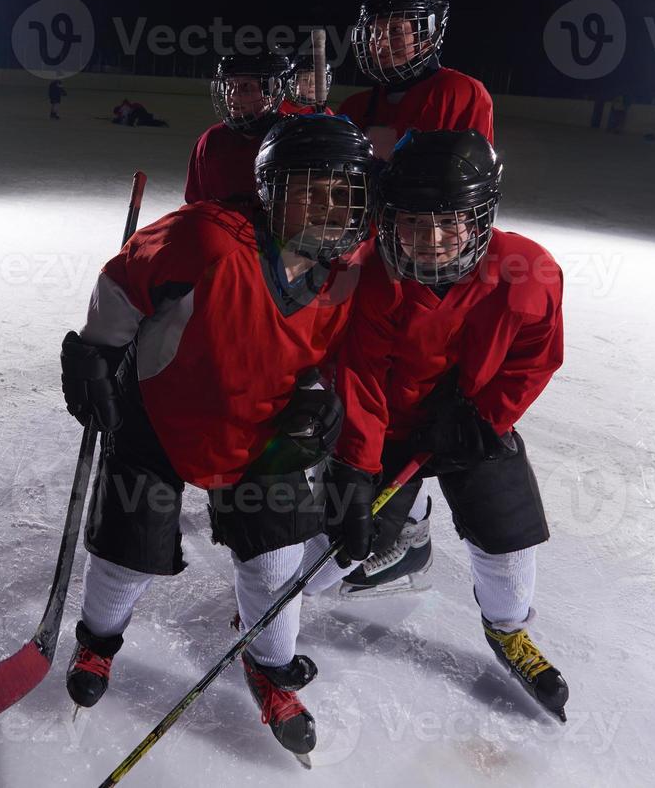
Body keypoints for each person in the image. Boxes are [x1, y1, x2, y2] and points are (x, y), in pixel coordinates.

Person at [59, 115, 379, 760]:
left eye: (342, 189)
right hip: (160, 413)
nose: (327, 205)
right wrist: (93, 353)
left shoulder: (352, 268)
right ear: (269, 190)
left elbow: (346, 356)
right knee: (128, 551)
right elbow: (123, 281)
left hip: (266, 428)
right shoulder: (205, 236)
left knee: (273, 560)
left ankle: (270, 664)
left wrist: (325, 400)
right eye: (307, 188)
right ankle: (97, 640)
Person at [299, 129, 570, 722]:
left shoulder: (529, 273)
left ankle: (508, 630)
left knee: (508, 530)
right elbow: (361, 379)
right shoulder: (368, 274)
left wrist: (485, 416)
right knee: (348, 533)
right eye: (415, 223)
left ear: (481, 217)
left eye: (451, 222)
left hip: (470, 426)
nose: (432, 240)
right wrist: (356, 467)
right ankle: (278, 606)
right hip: (390, 433)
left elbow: (535, 357)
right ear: (389, 219)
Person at [336, 0, 494, 160]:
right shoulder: (354, 107)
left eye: (395, 31)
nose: (380, 44)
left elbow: (474, 178)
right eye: (374, 32)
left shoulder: (461, 94)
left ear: (429, 34)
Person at [183, 52, 294, 204]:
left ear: (274, 89)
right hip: (220, 226)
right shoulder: (211, 139)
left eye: (246, 87)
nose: (233, 96)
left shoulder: (291, 137)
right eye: (229, 86)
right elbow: (196, 204)